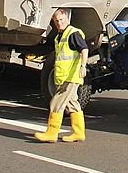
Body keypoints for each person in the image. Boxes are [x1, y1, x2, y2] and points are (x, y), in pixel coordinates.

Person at [33, 8, 88, 143]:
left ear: (67, 19)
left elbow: (84, 49)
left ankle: (51, 133)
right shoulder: (60, 36)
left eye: (61, 20)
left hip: (71, 76)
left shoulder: (72, 33)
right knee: (72, 104)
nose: (59, 23)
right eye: (56, 21)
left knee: (56, 103)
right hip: (64, 76)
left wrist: (83, 66)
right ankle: (78, 133)